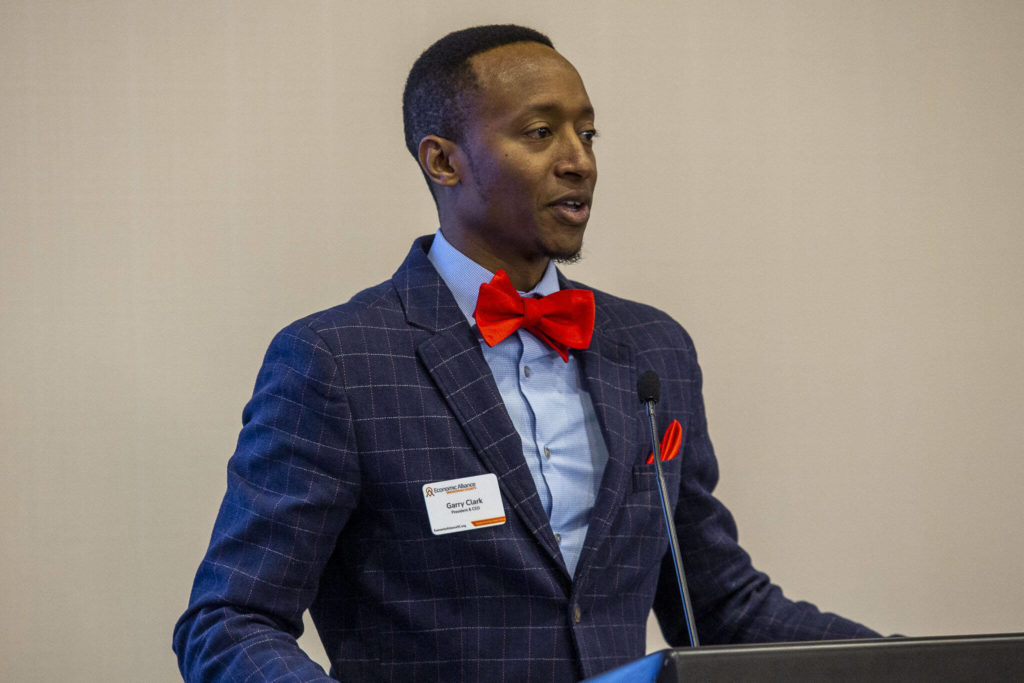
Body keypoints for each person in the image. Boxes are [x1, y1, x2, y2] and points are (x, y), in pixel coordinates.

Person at [173, 24, 878, 682]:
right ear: (442, 160)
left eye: (588, 131)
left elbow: (722, 604)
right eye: (541, 133)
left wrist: (918, 664)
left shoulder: (651, 348)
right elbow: (231, 620)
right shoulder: (336, 359)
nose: (579, 160)